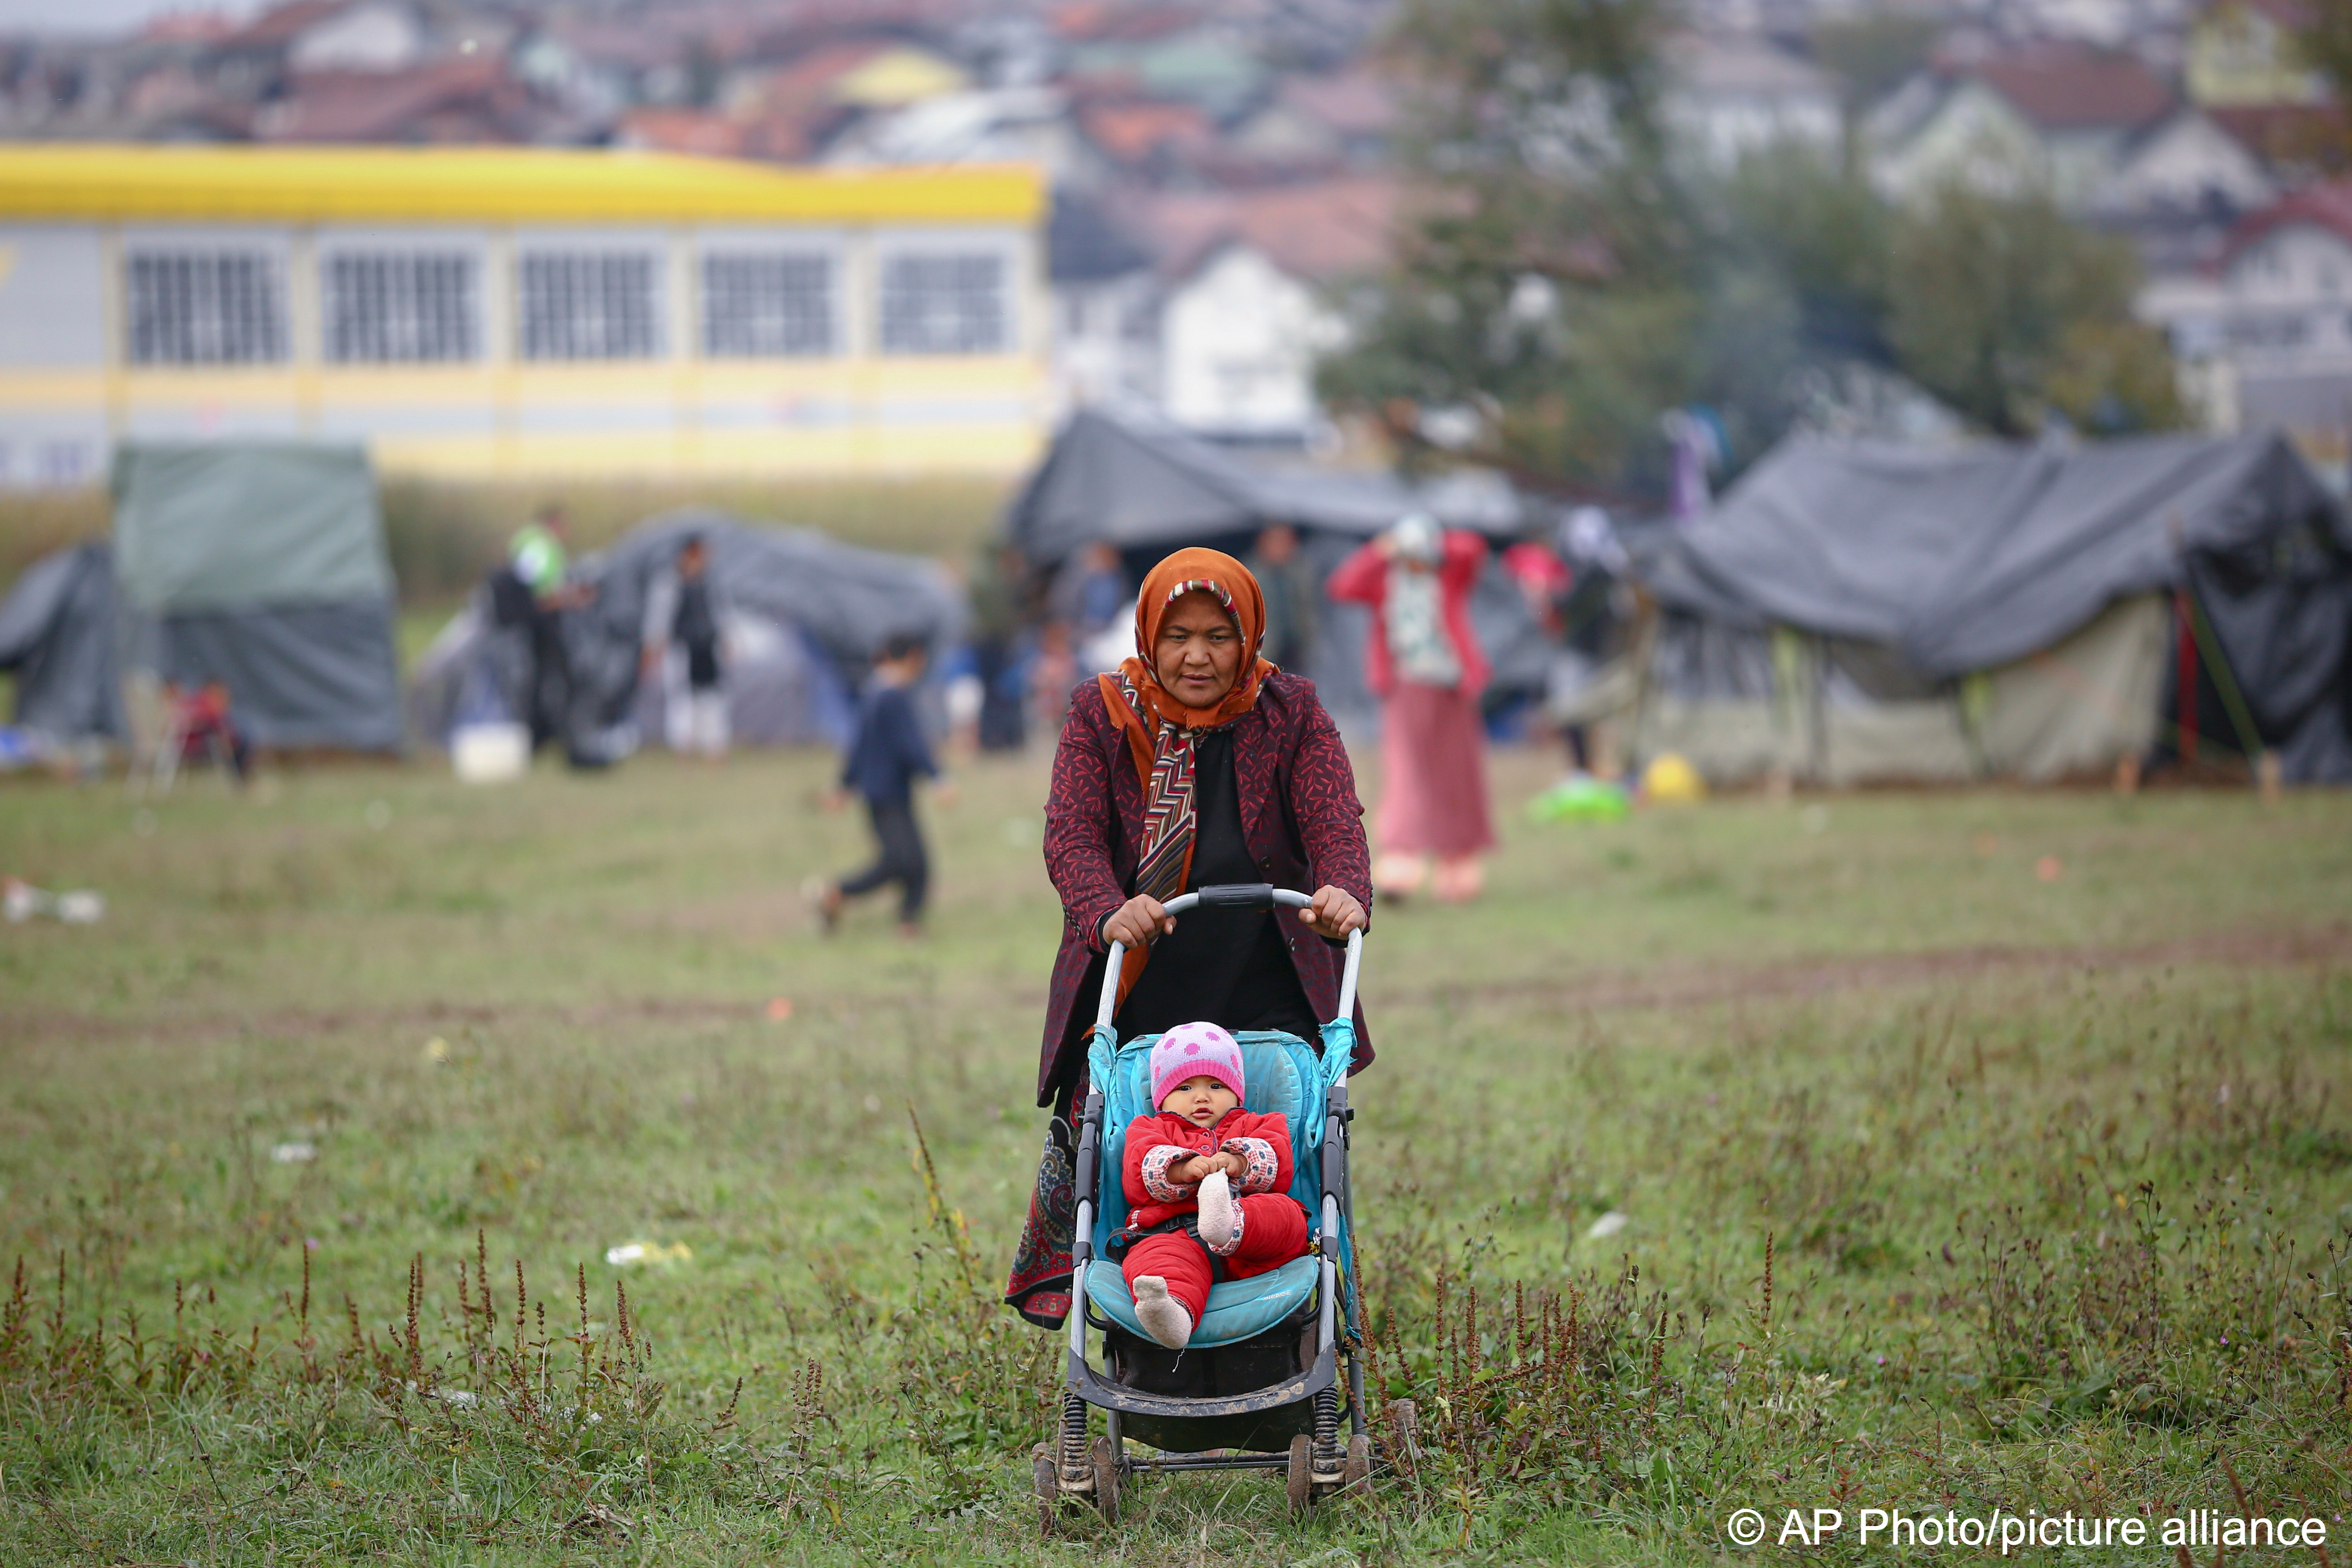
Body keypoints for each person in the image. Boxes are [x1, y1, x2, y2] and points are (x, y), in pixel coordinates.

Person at [1002, 546, 1372, 1330]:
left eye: (1217, 635)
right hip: (1141, 987)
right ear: (1146, 634)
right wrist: (1107, 907)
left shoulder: (1289, 709)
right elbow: (1069, 833)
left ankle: (1290, 1325)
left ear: (1247, 638)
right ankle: (1145, 1305)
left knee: (1277, 1158)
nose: (1196, 655)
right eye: (1177, 635)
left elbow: (1333, 817)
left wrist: (1342, 890)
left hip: (1267, 981)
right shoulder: (1098, 713)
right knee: (1133, 1161)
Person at [1328, 513, 1494, 903]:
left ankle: (1459, 865)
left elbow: (1474, 549)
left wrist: (1430, 539)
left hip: (1451, 686)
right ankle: (1402, 863)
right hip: (1404, 686)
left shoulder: (1449, 577)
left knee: (1456, 775)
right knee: (1407, 773)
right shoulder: (1386, 582)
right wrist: (1381, 549)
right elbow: (1342, 586)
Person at [1116, 1022, 1308, 1349]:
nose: (1202, 1097)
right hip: (1175, 1233)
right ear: (1162, 1098)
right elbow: (1140, 1169)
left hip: (1253, 1237)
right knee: (1155, 1258)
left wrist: (1238, 1163)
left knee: (1287, 1215)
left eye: (1216, 1085)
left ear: (1236, 1092)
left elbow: (1278, 1163)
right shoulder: (1150, 1128)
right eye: (1186, 1088)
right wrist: (1181, 1170)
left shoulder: (1257, 1123)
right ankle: (1172, 1311)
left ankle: (1227, 1221)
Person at [817, 634, 949, 936]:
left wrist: (844, 784)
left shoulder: (874, 691)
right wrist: (937, 778)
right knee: (903, 861)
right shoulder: (892, 695)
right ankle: (838, 893)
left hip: (879, 791)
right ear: (914, 656)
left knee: (911, 862)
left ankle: (907, 921)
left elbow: (859, 746)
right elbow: (911, 745)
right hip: (888, 793)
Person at [642, 533, 728, 761]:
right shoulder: (671, 582)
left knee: (711, 697)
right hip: (681, 648)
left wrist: (725, 639)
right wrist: (654, 647)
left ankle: (713, 746)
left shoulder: (709, 582)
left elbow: (718, 614)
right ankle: (684, 747)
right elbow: (659, 617)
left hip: (706, 647)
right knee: (682, 700)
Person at [1248, 523, 1319, 674]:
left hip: (1296, 645)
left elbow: (1307, 607)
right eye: (1277, 543)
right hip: (1266, 647)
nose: (1283, 548)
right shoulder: (1251, 575)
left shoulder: (1299, 572)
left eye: (1287, 543)